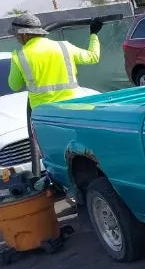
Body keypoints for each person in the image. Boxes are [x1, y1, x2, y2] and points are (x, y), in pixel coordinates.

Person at [7, 12, 103, 177]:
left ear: (23, 34)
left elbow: (14, 85)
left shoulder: (20, 56)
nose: (16, 39)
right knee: (82, 151)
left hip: (44, 116)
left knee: (54, 156)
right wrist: (94, 34)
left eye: (17, 35)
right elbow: (93, 57)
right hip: (74, 109)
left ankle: (59, 183)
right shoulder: (64, 46)